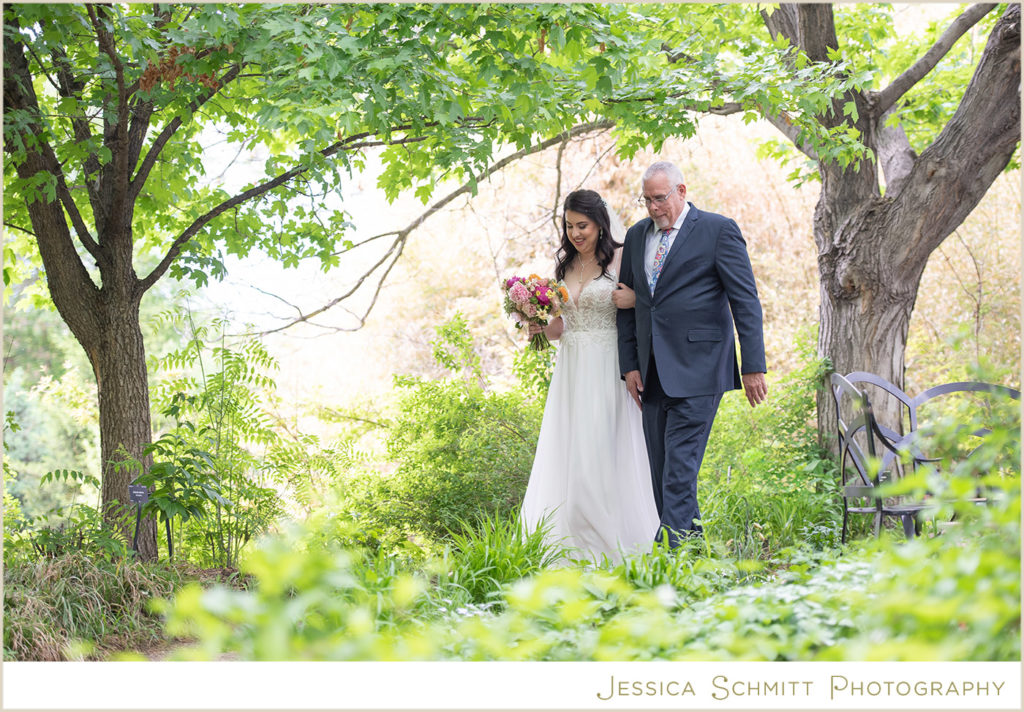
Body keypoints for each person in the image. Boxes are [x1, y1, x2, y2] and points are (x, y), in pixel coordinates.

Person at [613, 161, 767, 548]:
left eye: (660, 198)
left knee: (678, 472)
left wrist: (753, 366)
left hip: (700, 369)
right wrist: (629, 364)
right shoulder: (635, 237)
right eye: (646, 200)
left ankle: (668, 561)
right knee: (662, 471)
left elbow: (745, 300)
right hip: (651, 372)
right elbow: (628, 306)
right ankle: (693, 559)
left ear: (681, 191)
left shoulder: (718, 230)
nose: (653, 208)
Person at [520, 189, 659, 563]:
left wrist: (634, 300)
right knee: (572, 450)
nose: (575, 233)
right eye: (569, 226)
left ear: (599, 223)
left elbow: (650, 299)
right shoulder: (564, 268)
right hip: (572, 368)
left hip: (608, 364)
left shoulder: (620, 257)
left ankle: (612, 542)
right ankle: (572, 542)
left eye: (582, 225)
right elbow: (563, 324)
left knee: (601, 449)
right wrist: (537, 327)